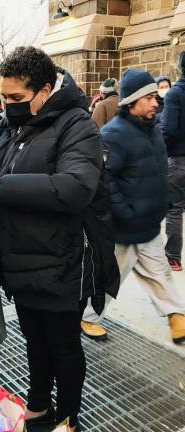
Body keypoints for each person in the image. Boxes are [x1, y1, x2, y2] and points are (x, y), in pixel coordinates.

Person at [0, 46, 119, 432]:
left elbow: (75, 187)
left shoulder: (77, 125)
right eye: (4, 97)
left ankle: (67, 416)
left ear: (45, 90)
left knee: (62, 345)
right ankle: (37, 407)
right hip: (19, 259)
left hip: (63, 260)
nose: (8, 105)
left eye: (17, 98)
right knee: (35, 339)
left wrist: (0, 185)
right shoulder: (11, 127)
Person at [81, 69, 185, 345]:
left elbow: (159, 171)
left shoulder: (153, 131)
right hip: (123, 229)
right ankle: (88, 318)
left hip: (148, 223)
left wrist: (165, 199)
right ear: (132, 101)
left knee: (160, 273)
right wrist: (123, 212)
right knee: (112, 279)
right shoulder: (113, 134)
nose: (155, 103)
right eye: (149, 97)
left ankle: (177, 317)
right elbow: (105, 181)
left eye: (155, 97)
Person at [162, 52, 185, 272]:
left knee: (175, 209)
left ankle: (173, 257)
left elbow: (168, 128)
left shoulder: (175, 94)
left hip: (178, 158)